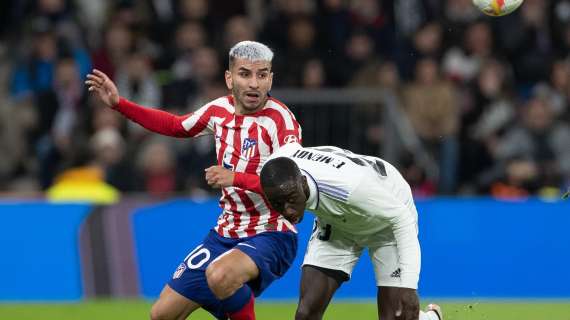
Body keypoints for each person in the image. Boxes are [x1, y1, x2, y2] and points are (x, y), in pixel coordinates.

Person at [86, 41, 302, 320]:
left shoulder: (282, 122)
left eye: (262, 75)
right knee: (161, 314)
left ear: (270, 78)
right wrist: (119, 104)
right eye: (245, 74)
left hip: (272, 232)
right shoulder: (218, 111)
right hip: (225, 233)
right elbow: (176, 126)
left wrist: (235, 178)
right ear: (229, 78)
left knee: (220, 274)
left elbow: (292, 186)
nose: (254, 83)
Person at [217, 142, 442, 320]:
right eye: (278, 203)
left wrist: (409, 288)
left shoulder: (350, 187)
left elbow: (401, 219)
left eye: (291, 200)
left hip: (384, 216)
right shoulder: (280, 167)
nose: (287, 210)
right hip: (337, 220)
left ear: (302, 183)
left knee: (399, 315)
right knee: (305, 313)